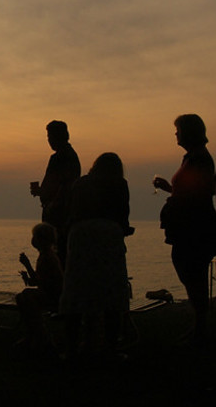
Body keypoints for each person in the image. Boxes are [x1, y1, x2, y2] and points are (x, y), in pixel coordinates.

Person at [59, 152, 134, 362]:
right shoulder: (119, 184)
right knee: (111, 291)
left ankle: (72, 348)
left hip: (80, 235)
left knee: (77, 290)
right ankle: (110, 347)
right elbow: (122, 216)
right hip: (109, 236)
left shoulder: (80, 184)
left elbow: (69, 213)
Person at [154, 114, 216, 346]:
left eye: (178, 130)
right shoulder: (192, 158)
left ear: (189, 132)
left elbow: (200, 193)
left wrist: (174, 198)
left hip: (195, 228)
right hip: (189, 227)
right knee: (191, 273)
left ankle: (201, 328)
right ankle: (199, 326)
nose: (175, 134)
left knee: (194, 274)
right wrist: (169, 189)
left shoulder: (199, 159)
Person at [30, 120, 81, 266]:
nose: (49, 140)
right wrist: (42, 192)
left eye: (50, 136)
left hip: (58, 214)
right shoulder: (70, 155)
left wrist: (51, 203)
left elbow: (64, 185)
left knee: (55, 252)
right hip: (61, 211)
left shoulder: (60, 157)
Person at [16, 222, 64, 355]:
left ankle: (39, 335)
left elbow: (41, 282)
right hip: (50, 293)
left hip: (53, 296)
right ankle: (34, 333)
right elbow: (37, 281)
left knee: (25, 296)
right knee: (22, 297)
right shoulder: (45, 255)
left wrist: (27, 265)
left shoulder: (48, 257)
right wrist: (28, 273)